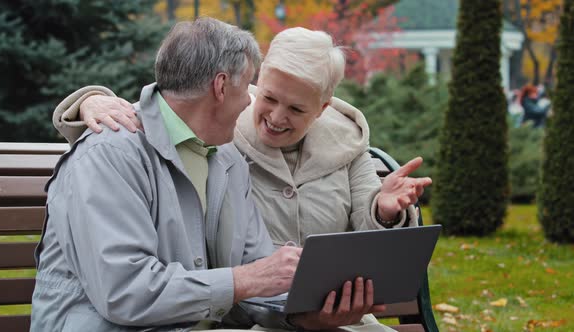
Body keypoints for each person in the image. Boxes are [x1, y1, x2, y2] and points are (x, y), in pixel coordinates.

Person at [51, 26, 432, 331]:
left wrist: (307, 318)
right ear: (221, 86)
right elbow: (124, 293)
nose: (253, 104)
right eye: (251, 87)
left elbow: (257, 270)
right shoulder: (111, 153)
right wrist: (90, 99)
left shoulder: (224, 156)